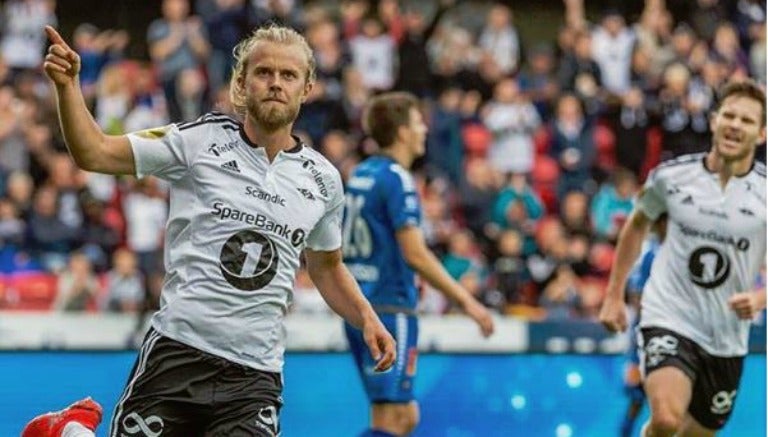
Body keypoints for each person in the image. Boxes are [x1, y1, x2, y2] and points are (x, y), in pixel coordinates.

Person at [28, 23, 397, 437]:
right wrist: (67, 86)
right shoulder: (198, 143)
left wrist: (367, 318)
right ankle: (69, 430)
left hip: (254, 379)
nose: (276, 83)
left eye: (289, 75)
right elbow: (94, 151)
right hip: (177, 357)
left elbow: (327, 267)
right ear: (242, 82)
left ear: (307, 87)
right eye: (264, 72)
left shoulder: (324, 180)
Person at [599, 79, 766, 437]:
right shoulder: (671, 177)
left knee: (695, 433)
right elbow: (636, 224)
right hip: (669, 315)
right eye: (730, 115)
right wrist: (614, 295)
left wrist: (760, 297)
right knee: (666, 418)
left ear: (762, 134)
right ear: (714, 120)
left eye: (747, 121)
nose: (736, 125)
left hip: (726, 336)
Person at [342, 92, 495, 437]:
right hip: (388, 308)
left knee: (402, 415)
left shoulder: (361, 173)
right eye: (416, 122)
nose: (424, 129)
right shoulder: (397, 178)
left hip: (360, 304)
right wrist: (468, 302)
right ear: (401, 133)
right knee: (393, 419)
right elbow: (415, 252)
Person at [620, 214, 666, 437]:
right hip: (646, 337)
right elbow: (636, 297)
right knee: (637, 400)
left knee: (668, 403)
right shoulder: (651, 253)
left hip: (674, 335)